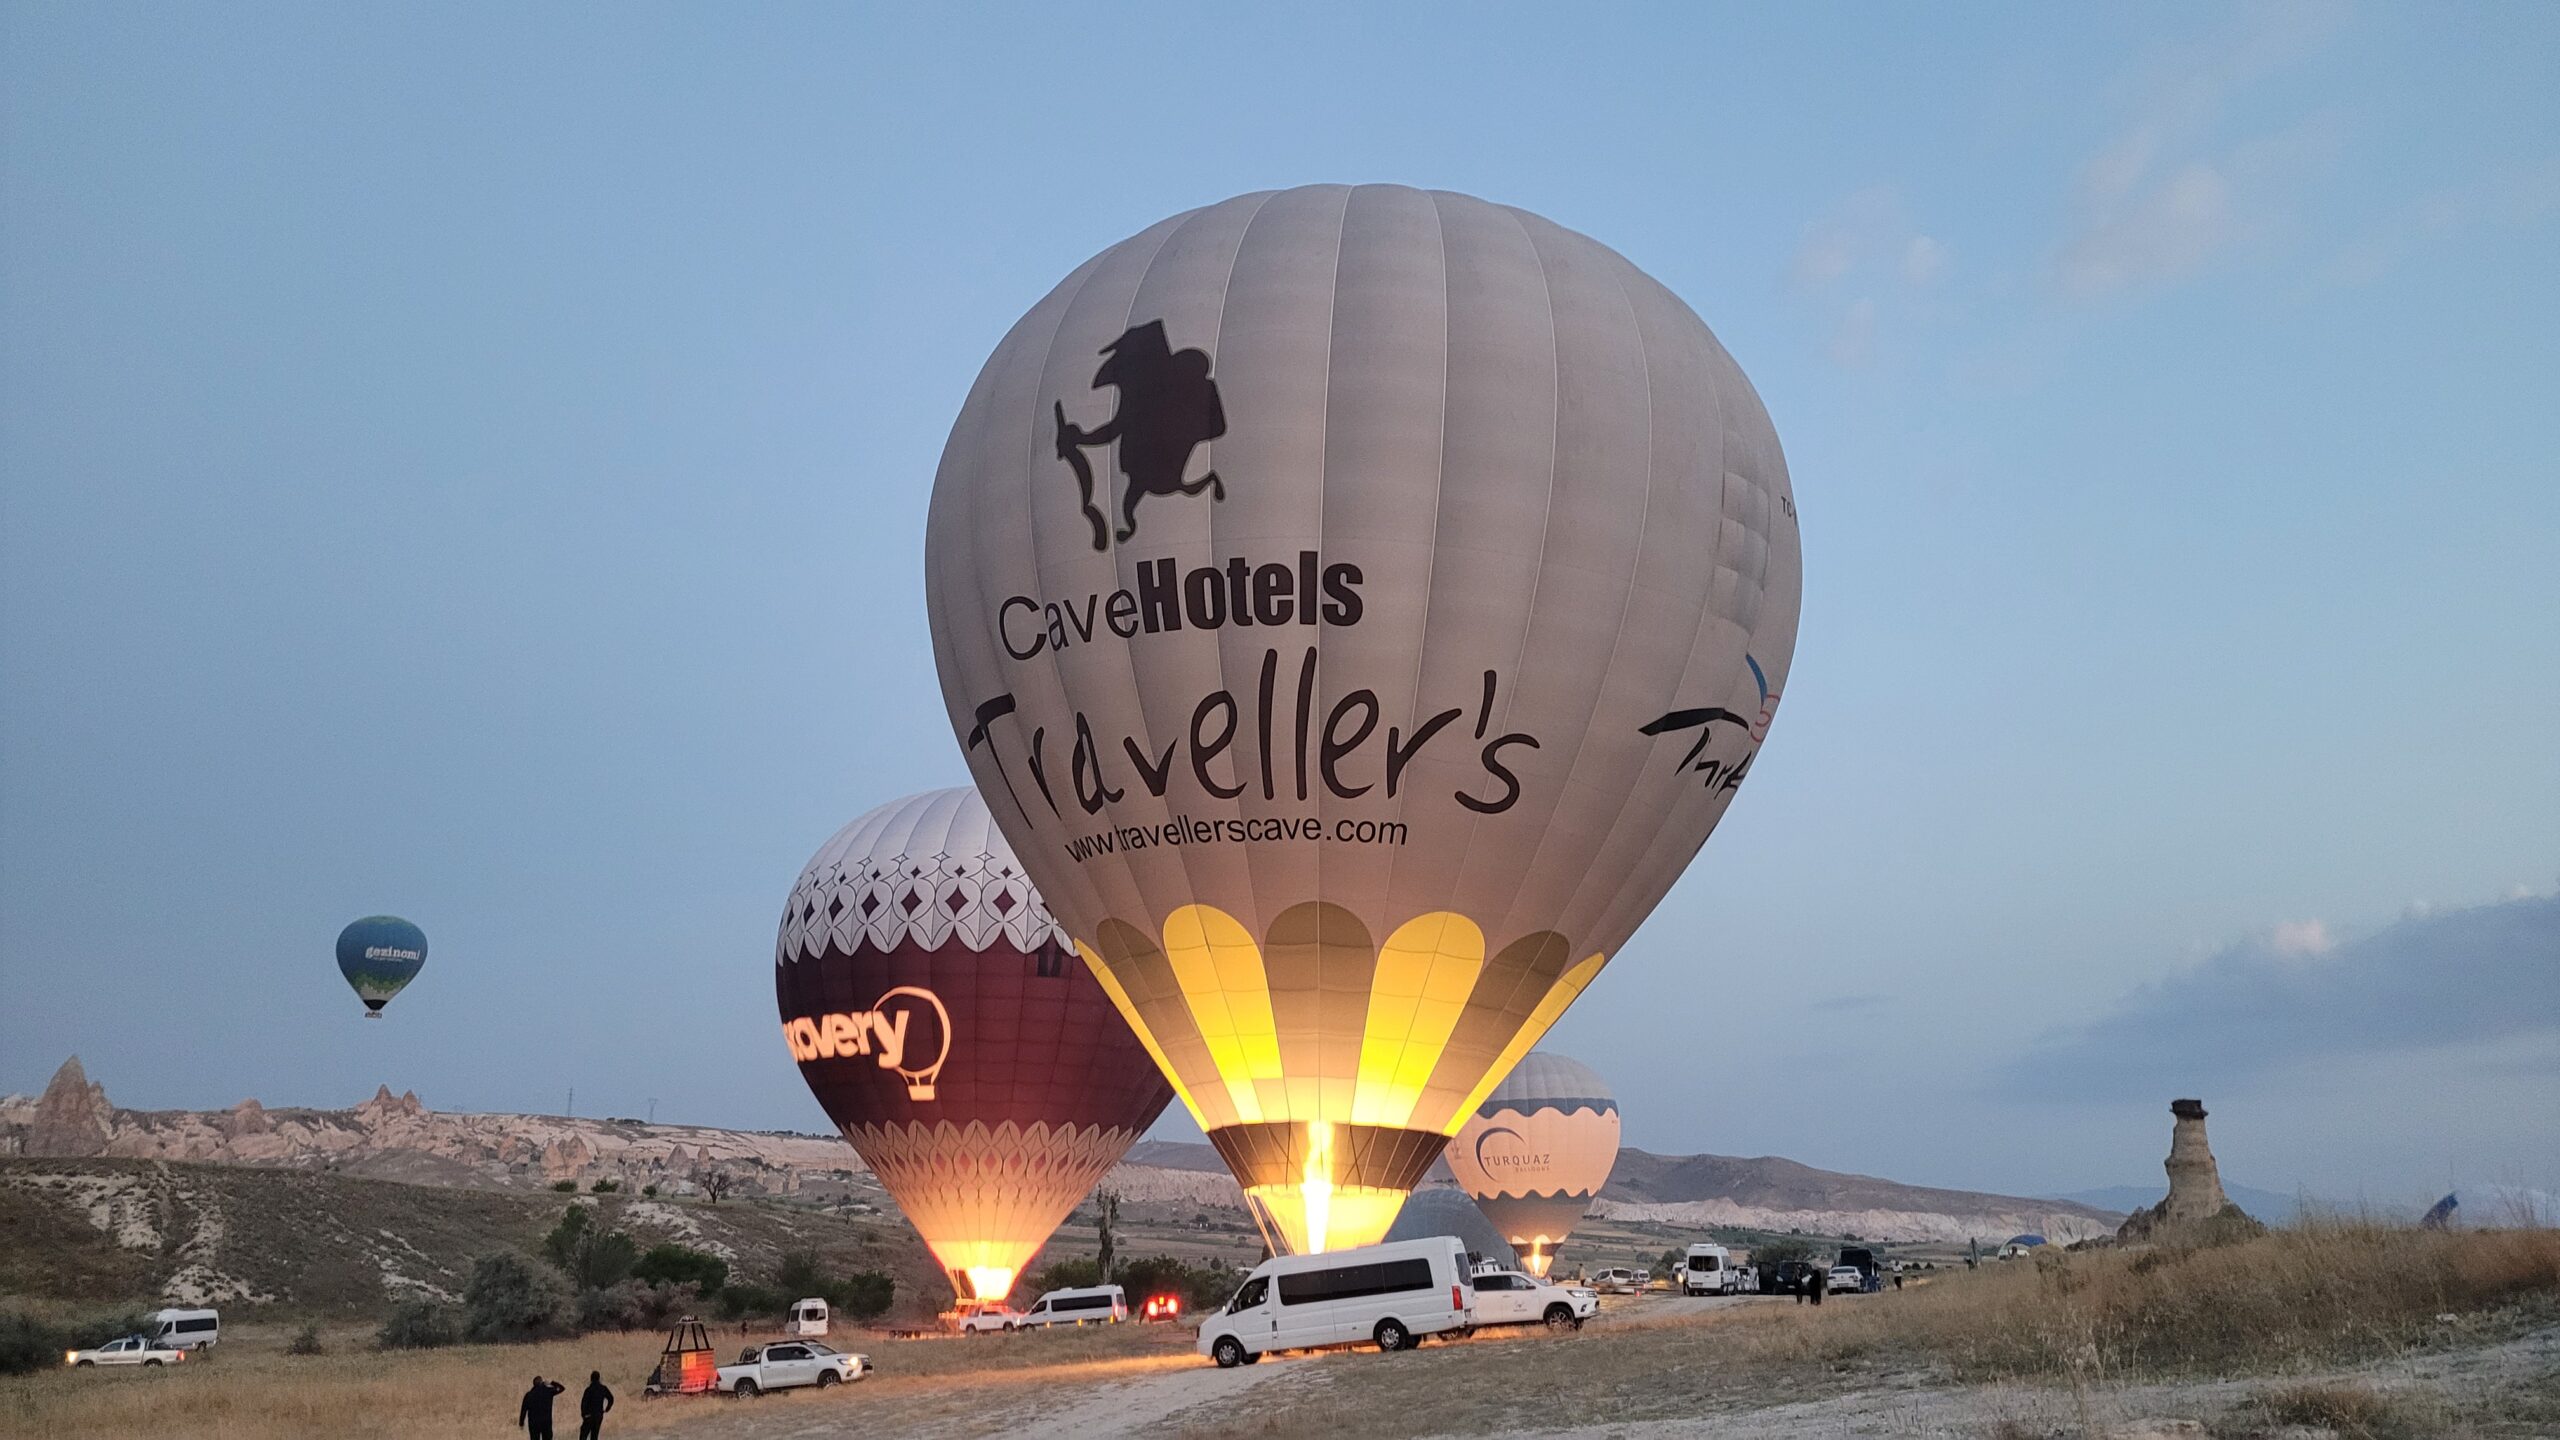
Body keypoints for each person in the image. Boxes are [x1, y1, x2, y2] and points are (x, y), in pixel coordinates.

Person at [577, 1371, 614, 1440]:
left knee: (583, 1436)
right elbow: (611, 1398)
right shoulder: (603, 1388)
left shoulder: (588, 1390)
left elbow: (583, 1403)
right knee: (594, 1436)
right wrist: (607, 1408)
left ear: (591, 1379)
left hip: (589, 1416)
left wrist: (583, 1415)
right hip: (598, 1416)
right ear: (599, 1378)